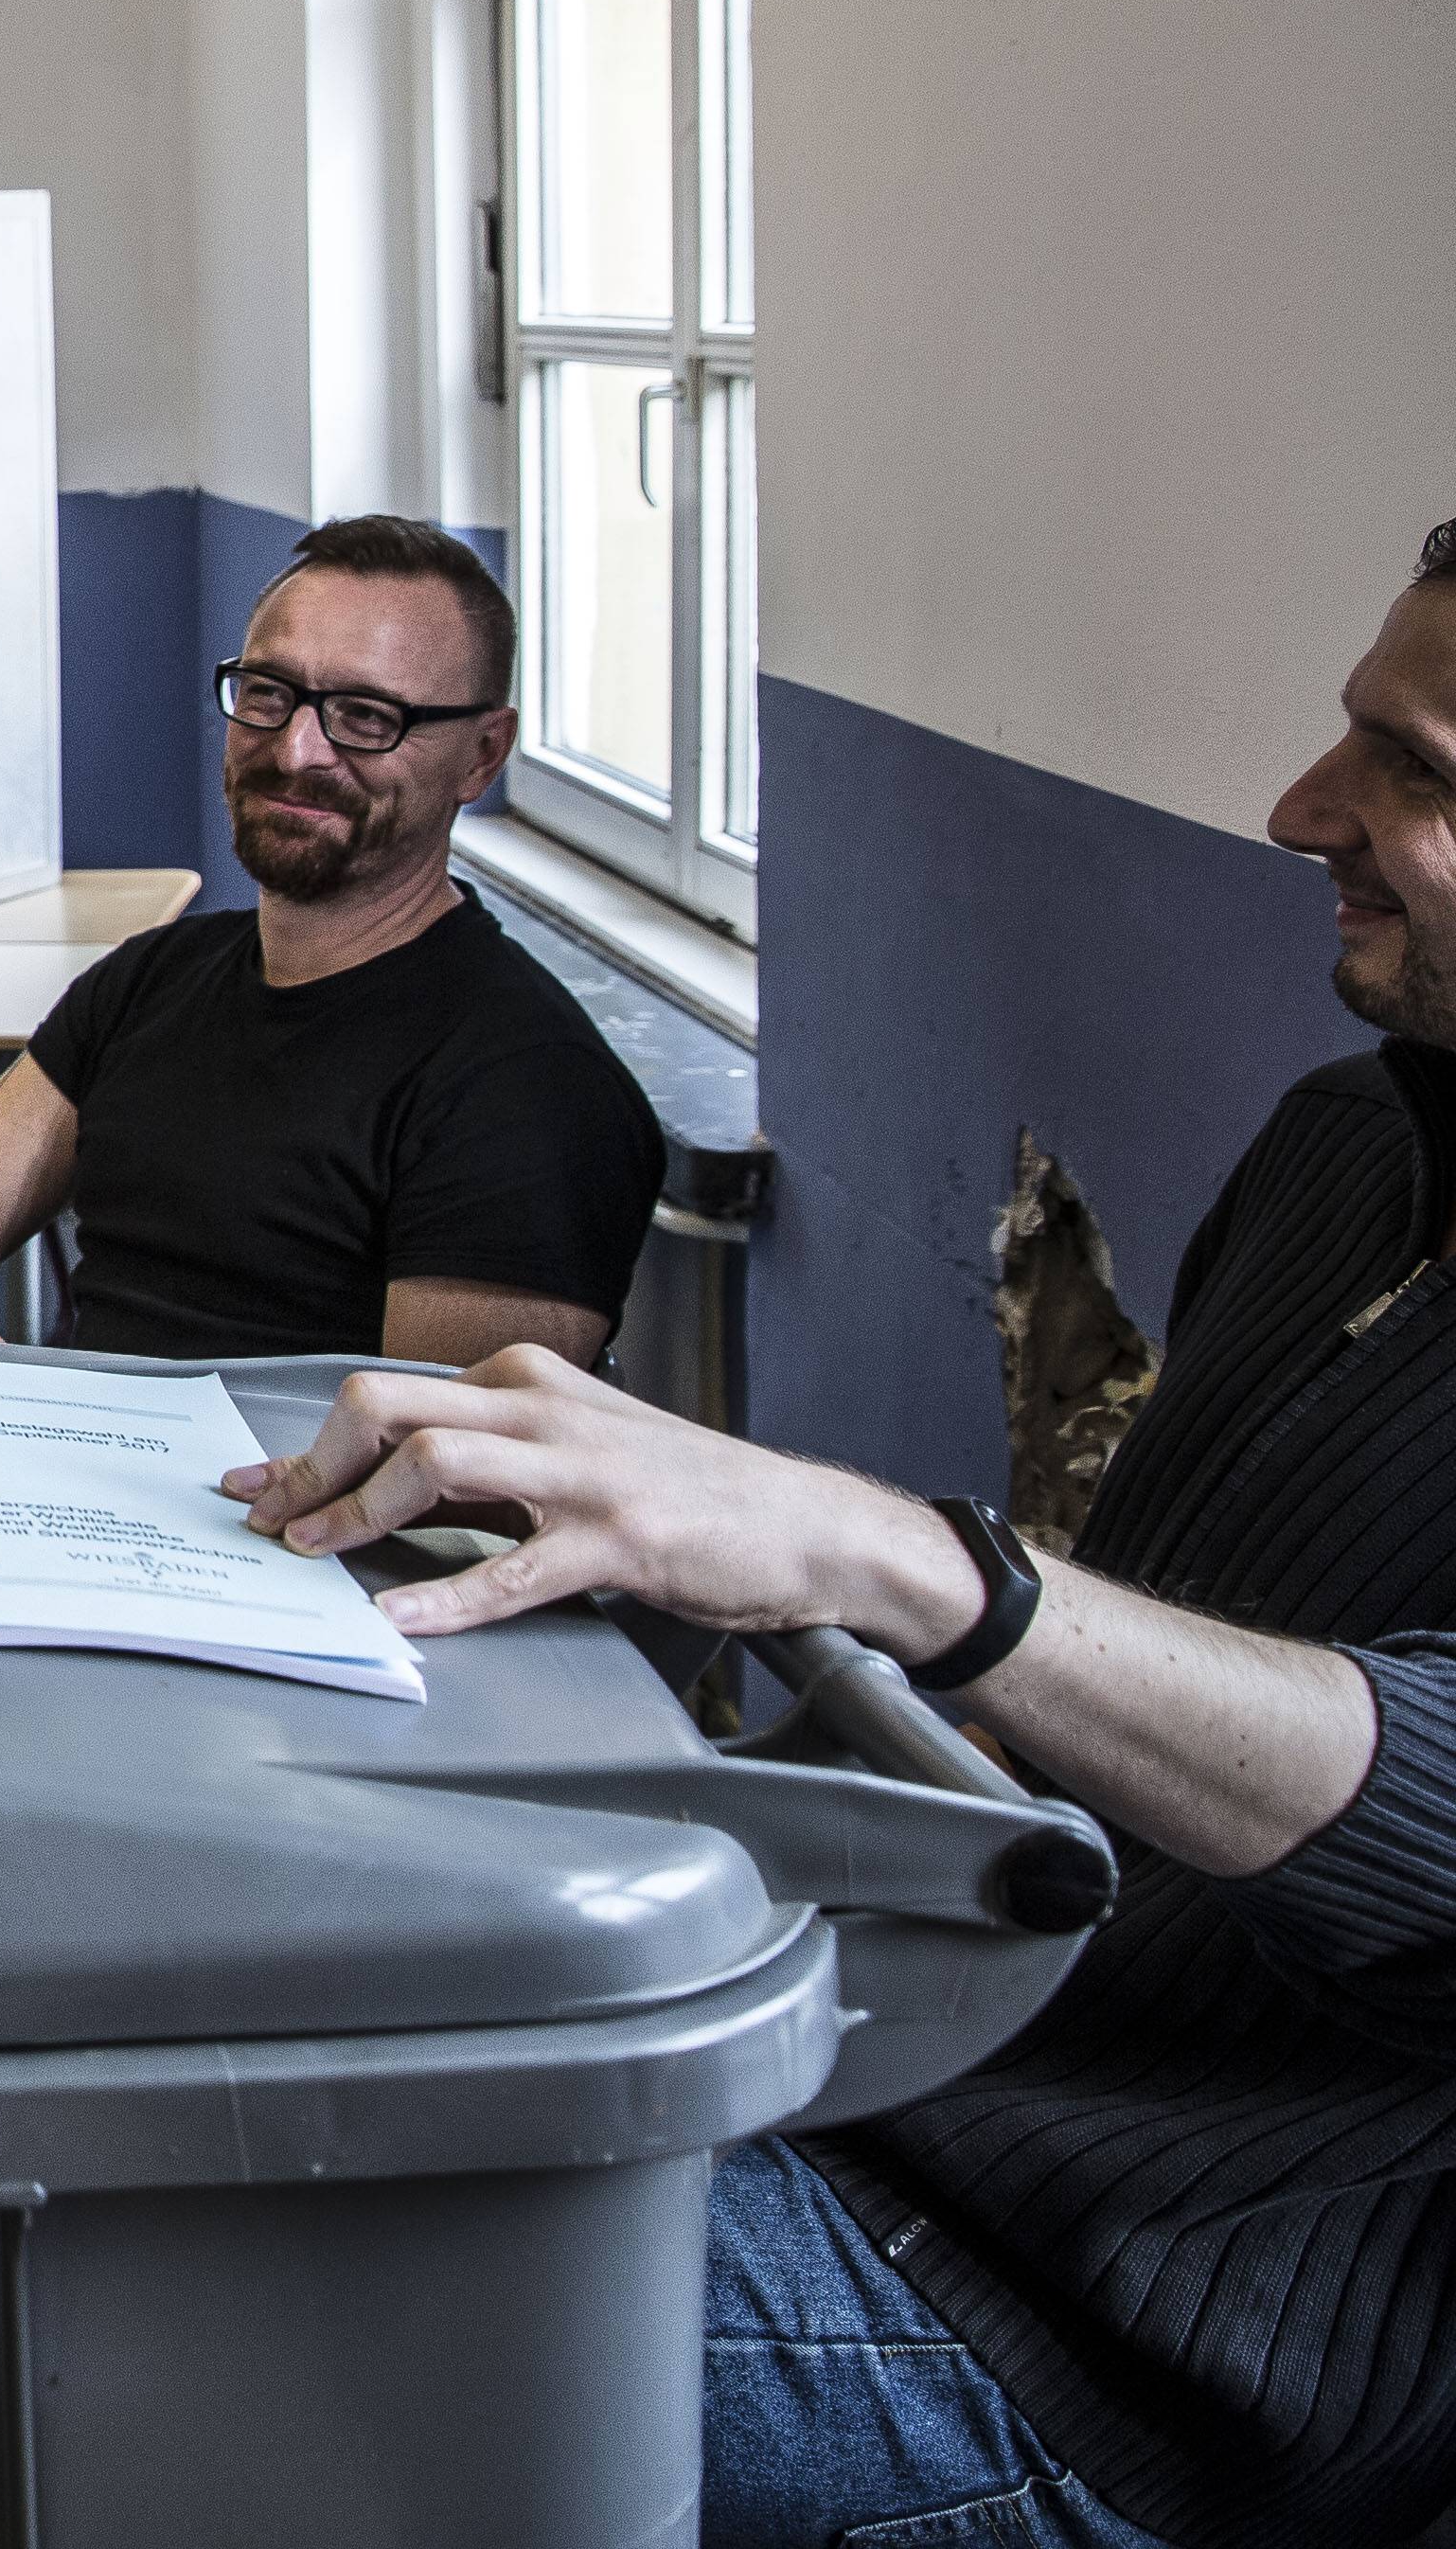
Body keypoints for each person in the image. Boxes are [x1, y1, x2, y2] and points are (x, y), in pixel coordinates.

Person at [228, 521, 1456, 2549]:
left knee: (217, 2257)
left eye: (1416, 770)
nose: (1300, 811)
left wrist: (897, 1560)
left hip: (1124, 2364)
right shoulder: (1351, 1138)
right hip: (900, 2101)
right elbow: (1101, 1735)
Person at [0, 513, 664, 1363]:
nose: (297, 749)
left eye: (365, 714)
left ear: (481, 756)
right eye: (270, 693)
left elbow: (447, 1464)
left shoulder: (530, 1088)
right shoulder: (153, 978)